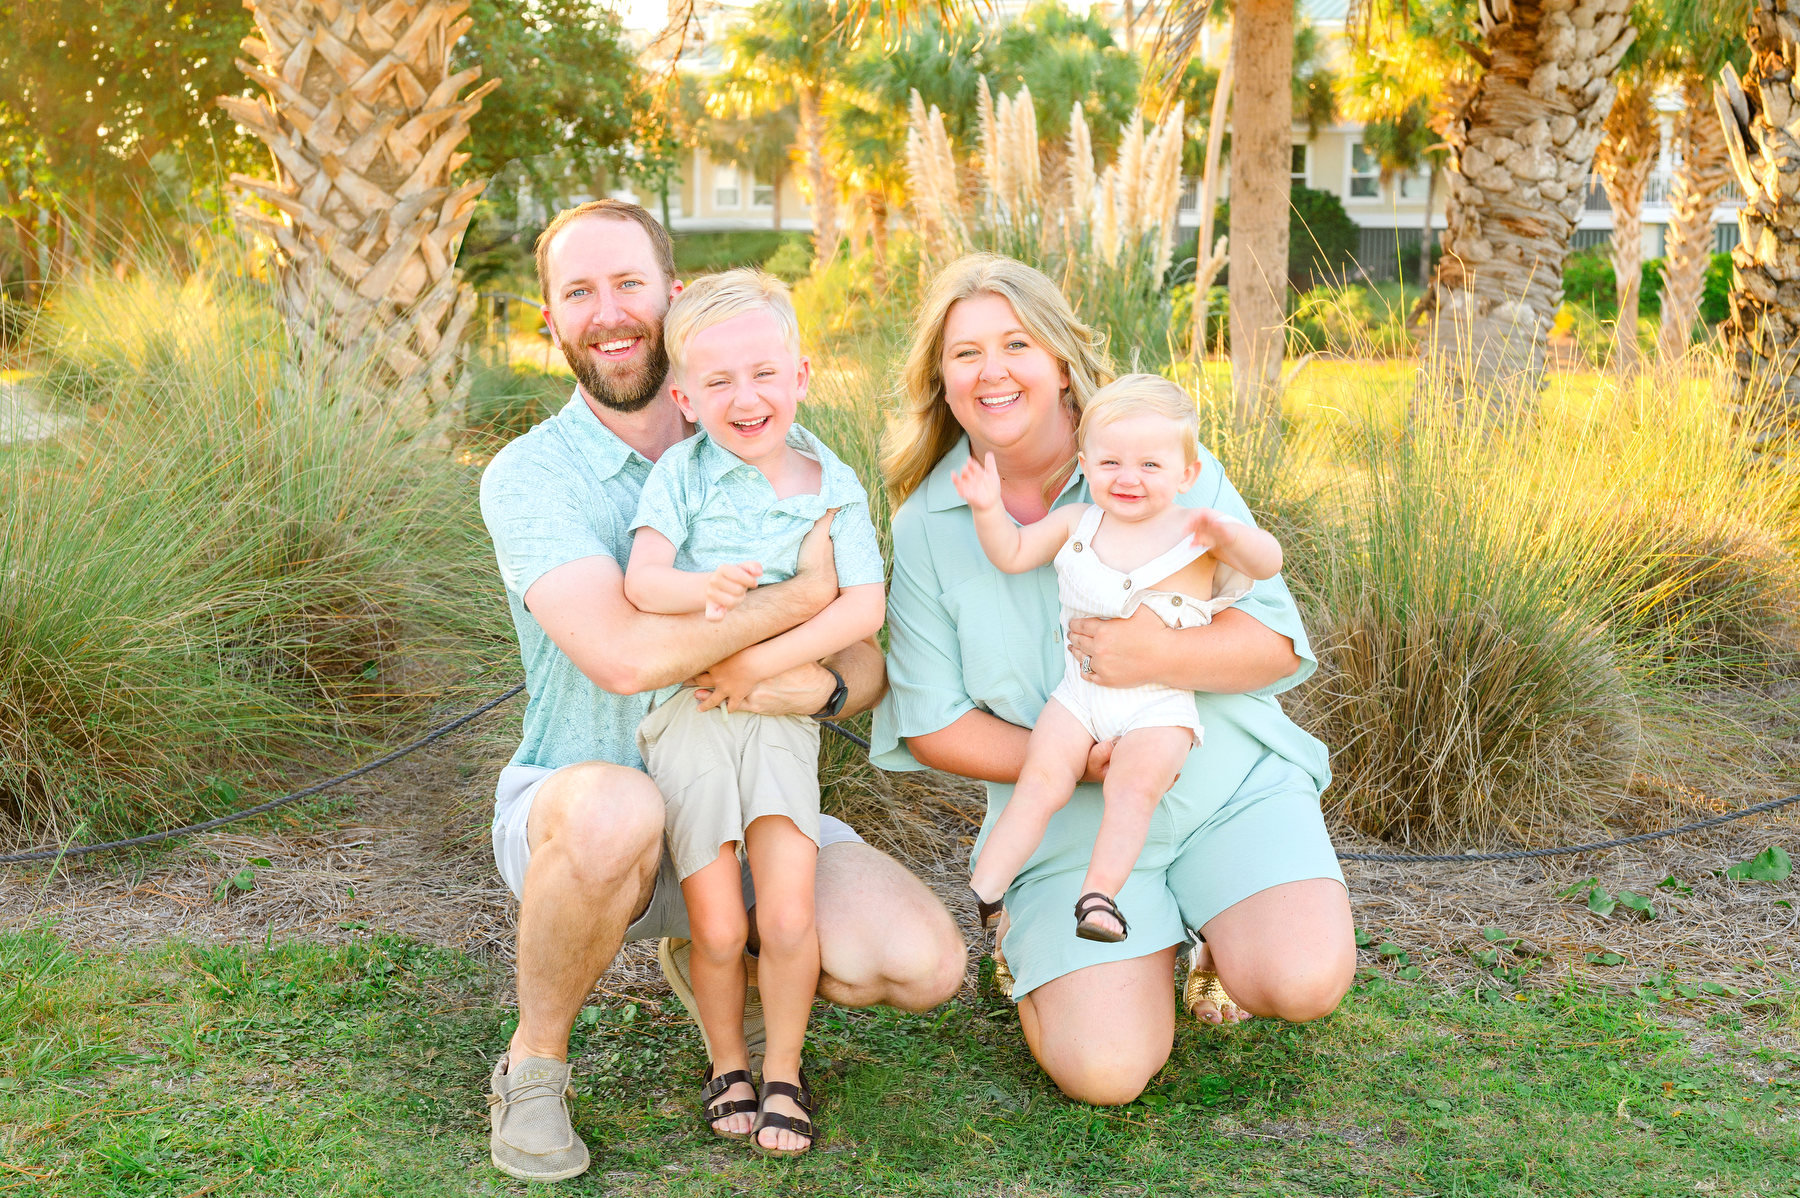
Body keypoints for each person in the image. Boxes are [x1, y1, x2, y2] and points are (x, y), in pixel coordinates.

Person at [478, 200, 963, 1182]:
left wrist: (811, 681)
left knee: (923, 959)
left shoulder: (791, 454)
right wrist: (796, 597)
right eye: (579, 293)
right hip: (591, 807)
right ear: (548, 321)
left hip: (751, 789)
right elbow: (620, 656)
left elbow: (868, 667)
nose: (609, 312)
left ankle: (720, 954)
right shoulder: (532, 475)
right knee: (622, 809)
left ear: (675, 296)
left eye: (629, 284)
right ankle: (533, 1066)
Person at [871, 253, 1354, 1106]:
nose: (992, 371)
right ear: (940, 381)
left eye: (1016, 343)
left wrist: (1151, 658)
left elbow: (1276, 645)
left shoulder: (1155, 457)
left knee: (1303, 979)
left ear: (1060, 363)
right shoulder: (926, 525)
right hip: (1066, 822)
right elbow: (931, 725)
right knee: (1106, 1073)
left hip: (1223, 780)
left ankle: (1213, 936)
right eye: (965, 353)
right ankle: (1050, 932)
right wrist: (1079, 759)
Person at [623, 269, 887, 1155]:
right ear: (688, 400)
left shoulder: (829, 480)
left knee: (784, 913)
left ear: (802, 375)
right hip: (692, 715)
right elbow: (642, 580)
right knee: (721, 920)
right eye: (721, 382)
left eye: (765, 373)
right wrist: (704, 590)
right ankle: (726, 1062)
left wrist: (758, 664)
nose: (748, 397)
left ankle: (784, 1070)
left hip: (776, 715)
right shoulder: (681, 476)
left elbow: (861, 609)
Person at [955, 373, 1286, 944]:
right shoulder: (1076, 523)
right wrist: (987, 508)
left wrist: (1229, 536)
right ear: (1085, 464)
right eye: (1111, 464)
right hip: (1079, 696)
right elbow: (1011, 554)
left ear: (1188, 474)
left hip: (1159, 705)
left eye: (1150, 466)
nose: (1128, 479)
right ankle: (988, 886)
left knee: (1133, 788)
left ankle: (1100, 897)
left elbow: (1268, 562)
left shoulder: (1198, 531)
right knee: (1042, 776)